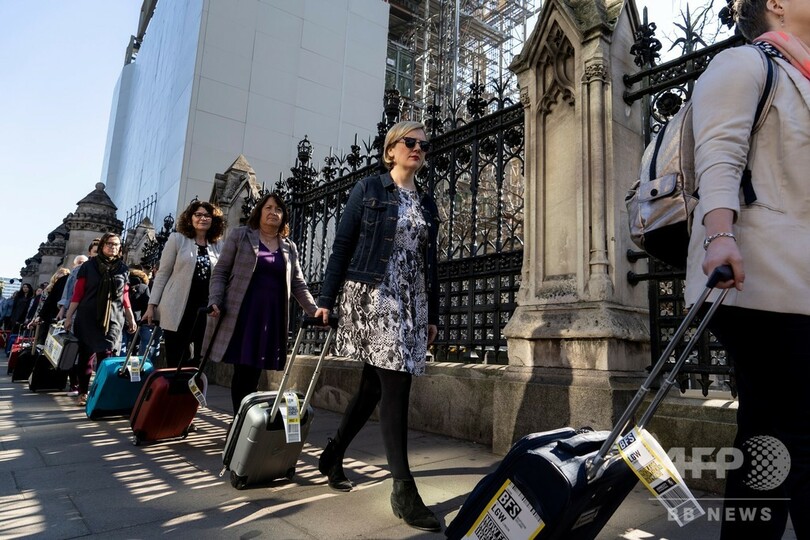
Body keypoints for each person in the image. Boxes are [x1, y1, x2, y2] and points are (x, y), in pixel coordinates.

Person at [685, 2, 810, 538]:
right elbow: (718, 153)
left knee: (771, 437)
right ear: (776, 4)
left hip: (798, 283)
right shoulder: (745, 63)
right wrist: (719, 236)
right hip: (759, 281)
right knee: (794, 435)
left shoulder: (801, 76)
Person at [313, 120, 440, 532]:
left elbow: (430, 263)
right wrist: (325, 300)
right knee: (397, 382)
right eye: (409, 142)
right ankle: (404, 489)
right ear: (390, 150)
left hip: (411, 297)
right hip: (374, 293)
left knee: (373, 386)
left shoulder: (427, 202)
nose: (417, 148)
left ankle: (333, 453)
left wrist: (433, 315)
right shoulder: (368, 189)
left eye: (423, 145)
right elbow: (342, 246)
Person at [202, 192, 318, 414]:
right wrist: (215, 300)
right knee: (243, 371)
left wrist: (314, 311)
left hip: (270, 317)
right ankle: (241, 421)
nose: (273, 212)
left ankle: (245, 421)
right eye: (268, 208)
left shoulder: (289, 247)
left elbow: (298, 284)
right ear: (259, 212)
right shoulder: (240, 236)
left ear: (284, 216)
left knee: (254, 372)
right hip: (243, 314)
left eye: (278, 209)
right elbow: (221, 272)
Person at [144, 201, 224, 367]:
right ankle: (173, 384)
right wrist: (152, 305)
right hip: (177, 307)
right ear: (190, 218)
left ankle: (191, 384)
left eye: (207, 215)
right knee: (176, 359)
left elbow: (222, 276)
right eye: (198, 214)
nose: (203, 218)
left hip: (205, 309)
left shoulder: (218, 245)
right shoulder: (177, 239)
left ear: (213, 220)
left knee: (198, 362)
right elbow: (163, 273)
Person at [64, 233, 136, 406]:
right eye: (109, 244)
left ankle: (101, 393)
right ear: (102, 245)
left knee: (106, 356)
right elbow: (78, 293)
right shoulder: (88, 266)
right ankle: (83, 392)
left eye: (116, 244)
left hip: (113, 318)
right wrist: (68, 316)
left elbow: (125, 296)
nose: (113, 247)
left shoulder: (123, 269)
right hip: (88, 316)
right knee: (86, 356)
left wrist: (131, 318)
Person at [30, 268, 71, 346]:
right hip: (47, 317)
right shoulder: (47, 290)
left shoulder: (68, 285)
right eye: (58, 278)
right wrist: (37, 317)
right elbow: (41, 306)